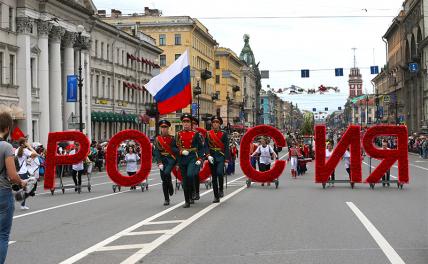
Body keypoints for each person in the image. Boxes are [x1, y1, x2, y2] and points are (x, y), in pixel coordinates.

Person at [0, 112, 28, 264]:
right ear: (7, 128)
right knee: (2, 235)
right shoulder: (6, 146)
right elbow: (12, 175)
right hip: (2, 193)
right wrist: (22, 182)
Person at [172, 114, 204, 208]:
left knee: (190, 174)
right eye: (184, 122)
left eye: (187, 122)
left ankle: (193, 191)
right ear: (182, 123)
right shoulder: (178, 134)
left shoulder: (196, 134)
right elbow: (173, 147)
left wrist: (200, 158)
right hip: (182, 158)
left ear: (190, 123)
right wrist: (181, 151)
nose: (186, 124)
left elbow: (201, 148)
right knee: (185, 181)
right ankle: (187, 200)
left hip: (192, 157)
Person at [206, 116, 230, 203]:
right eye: (214, 122)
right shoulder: (208, 134)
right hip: (212, 157)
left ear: (219, 124)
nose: (215, 124)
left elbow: (227, 148)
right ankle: (216, 196)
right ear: (212, 124)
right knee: (214, 177)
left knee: (220, 173)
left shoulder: (223, 134)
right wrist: (208, 155)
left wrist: (226, 160)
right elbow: (206, 146)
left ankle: (221, 189)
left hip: (220, 156)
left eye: (217, 122)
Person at [153, 120, 175, 206]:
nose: (164, 129)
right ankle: (166, 198)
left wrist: (176, 162)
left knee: (166, 173)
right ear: (160, 128)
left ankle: (170, 185)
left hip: (170, 159)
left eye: (165, 127)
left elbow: (174, 151)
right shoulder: (157, 139)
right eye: (162, 127)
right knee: (163, 179)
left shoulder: (172, 138)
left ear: (168, 128)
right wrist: (159, 162)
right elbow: (157, 152)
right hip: (162, 160)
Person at [15, 137, 37, 210]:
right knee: (26, 188)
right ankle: (23, 204)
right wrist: (30, 147)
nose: (27, 143)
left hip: (17, 172)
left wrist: (27, 161)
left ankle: (21, 203)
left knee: (20, 188)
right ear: (23, 143)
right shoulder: (25, 150)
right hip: (23, 172)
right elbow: (35, 154)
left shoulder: (17, 150)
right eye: (26, 142)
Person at [191, 116, 207, 201]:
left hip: (197, 157)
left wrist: (201, 158)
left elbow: (202, 147)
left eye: (194, 124)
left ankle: (196, 192)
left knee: (195, 175)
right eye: (192, 124)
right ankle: (191, 193)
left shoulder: (199, 135)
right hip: (187, 157)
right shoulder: (184, 133)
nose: (193, 126)